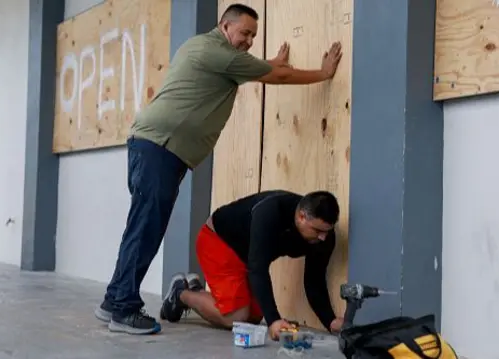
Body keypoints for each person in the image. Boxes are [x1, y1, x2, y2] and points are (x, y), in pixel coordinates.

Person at [93, 3, 343, 335]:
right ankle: (124, 308)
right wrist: (322, 73)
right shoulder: (217, 51)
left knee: (143, 226)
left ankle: (114, 299)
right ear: (225, 26)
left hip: (159, 148)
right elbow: (276, 76)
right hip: (160, 147)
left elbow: (256, 68)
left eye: (254, 35)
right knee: (145, 229)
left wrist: (269, 64)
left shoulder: (211, 51)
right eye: (245, 33)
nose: (249, 40)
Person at [159, 190, 345, 340]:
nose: (323, 237)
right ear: (302, 217)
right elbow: (258, 268)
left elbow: (314, 280)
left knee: (253, 317)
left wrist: (330, 321)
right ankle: (181, 294)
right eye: (318, 230)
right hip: (218, 241)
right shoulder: (270, 211)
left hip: (246, 255)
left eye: (327, 231)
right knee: (237, 317)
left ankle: (195, 290)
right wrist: (274, 320)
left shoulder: (324, 238)